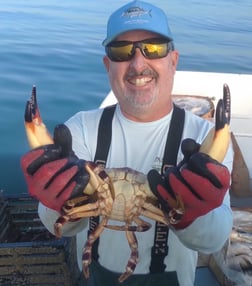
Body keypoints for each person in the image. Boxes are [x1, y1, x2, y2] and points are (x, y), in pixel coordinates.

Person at [21, 1, 233, 285]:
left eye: (154, 47)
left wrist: (193, 215)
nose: (137, 63)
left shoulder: (205, 138)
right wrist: (58, 202)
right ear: (107, 65)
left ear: (173, 60)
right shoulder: (82, 128)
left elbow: (214, 239)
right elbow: (59, 225)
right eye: (121, 51)